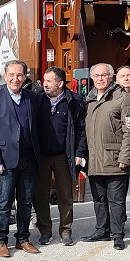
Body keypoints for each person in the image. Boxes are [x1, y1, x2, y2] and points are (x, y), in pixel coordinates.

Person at [0, 60, 41, 257]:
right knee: (4, 202)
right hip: (5, 160)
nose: (15, 79)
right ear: (5, 75)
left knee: (25, 202)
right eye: (11, 75)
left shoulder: (32, 98)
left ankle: (23, 238)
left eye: (19, 75)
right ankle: (0, 240)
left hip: (29, 159)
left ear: (25, 77)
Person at [81, 63, 130, 251]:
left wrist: (125, 156)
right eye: (96, 76)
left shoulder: (123, 98)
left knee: (116, 201)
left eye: (104, 75)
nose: (100, 79)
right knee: (99, 199)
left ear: (111, 77)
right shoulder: (89, 100)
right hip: (94, 159)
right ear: (92, 78)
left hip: (115, 159)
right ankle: (101, 230)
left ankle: (118, 235)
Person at [34, 66, 87, 247]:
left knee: (65, 195)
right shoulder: (37, 99)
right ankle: (45, 231)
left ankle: (66, 230)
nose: (45, 84)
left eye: (49, 81)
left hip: (64, 156)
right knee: (40, 196)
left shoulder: (74, 101)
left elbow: (80, 130)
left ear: (60, 83)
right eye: (44, 80)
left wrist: (79, 153)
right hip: (41, 156)